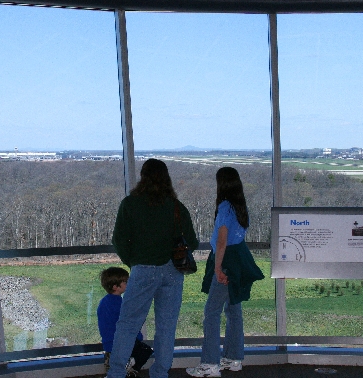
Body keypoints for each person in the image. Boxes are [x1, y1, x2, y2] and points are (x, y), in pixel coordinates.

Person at [107, 158, 199, 378]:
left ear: (143, 177)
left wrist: (135, 261)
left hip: (143, 270)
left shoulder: (130, 204)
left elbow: (119, 240)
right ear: (166, 177)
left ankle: (116, 374)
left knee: (128, 324)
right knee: (166, 328)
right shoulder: (176, 206)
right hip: (172, 272)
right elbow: (192, 242)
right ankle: (160, 373)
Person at [186, 167, 264, 378]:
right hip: (238, 261)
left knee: (211, 312)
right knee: (233, 310)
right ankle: (233, 357)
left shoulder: (224, 207)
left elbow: (222, 241)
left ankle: (210, 364)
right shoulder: (240, 207)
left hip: (226, 262)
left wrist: (218, 268)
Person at [97, 267, 153, 378]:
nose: (128, 283)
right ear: (115, 287)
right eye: (126, 282)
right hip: (120, 343)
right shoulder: (120, 304)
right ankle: (129, 366)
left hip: (109, 343)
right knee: (145, 351)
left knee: (113, 369)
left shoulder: (104, 302)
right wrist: (138, 336)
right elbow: (127, 324)